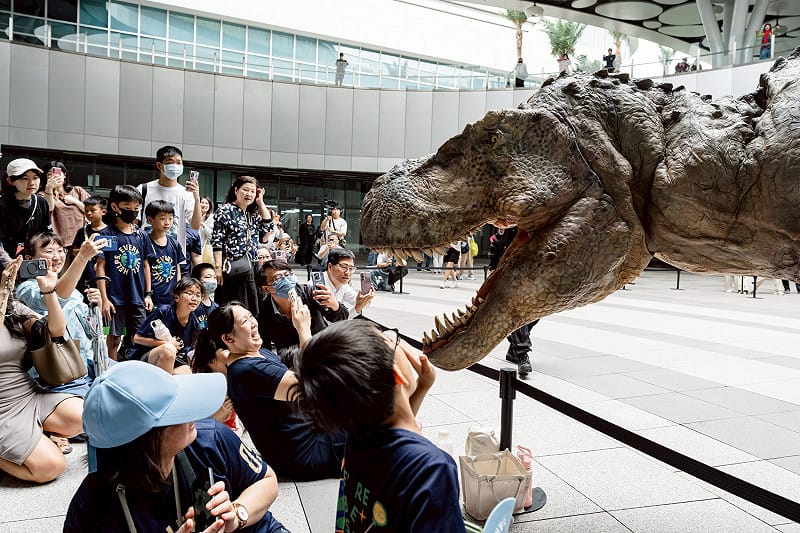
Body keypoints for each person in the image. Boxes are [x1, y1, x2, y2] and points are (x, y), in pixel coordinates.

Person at [64, 361, 287, 533]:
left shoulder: (209, 439)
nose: (194, 414)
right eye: (177, 410)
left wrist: (237, 515)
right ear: (147, 439)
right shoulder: (92, 510)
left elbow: (266, 480)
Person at [290, 321, 466, 532]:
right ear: (395, 374)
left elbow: (395, 427)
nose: (396, 340)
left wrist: (422, 386)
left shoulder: (357, 434)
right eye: (393, 341)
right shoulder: (433, 469)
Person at [196, 302, 346, 481]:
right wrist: (303, 329)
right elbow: (312, 386)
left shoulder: (259, 352)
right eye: (244, 321)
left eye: (251, 316)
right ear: (228, 339)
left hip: (313, 432)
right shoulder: (246, 370)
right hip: (306, 452)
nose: (253, 323)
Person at [0, 255, 83, 483]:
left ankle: (39, 436)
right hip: (1, 411)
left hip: (27, 395)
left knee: (86, 417)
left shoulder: (13, 309)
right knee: (51, 467)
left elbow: (55, 331)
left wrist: (48, 292)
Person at [16, 231, 108, 397]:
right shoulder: (26, 289)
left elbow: (90, 332)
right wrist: (81, 258)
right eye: (49, 251)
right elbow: (54, 297)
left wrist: (97, 307)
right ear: (29, 259)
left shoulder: (76, 293)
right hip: (54, 374)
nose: (57, 256)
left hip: (84, 367)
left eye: (60, 251)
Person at [96, 185, 151, 361]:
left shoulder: (141, 235)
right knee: (113, 339)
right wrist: (104, 299)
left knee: (140, 339)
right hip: (115, 298)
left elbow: (145, 265)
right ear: (115, 207)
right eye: (128, 208)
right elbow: (100, 266)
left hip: (137, 297)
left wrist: (148, 294)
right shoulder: (107, 235)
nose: (133, 212)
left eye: (136, 209)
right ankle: (111, 370)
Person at [212, 176, 273, 313]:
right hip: (233, 266)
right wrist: (217, 267)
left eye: (252, 191)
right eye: (245, 190)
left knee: (252, 306)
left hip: (252, 266)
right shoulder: (225, 210)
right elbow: (217, 241)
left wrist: (261, 203)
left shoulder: (253, 214)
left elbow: (267, 232)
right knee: (233, 306)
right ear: (236, 190)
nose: (249, 194)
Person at [259, 259, 348, 353]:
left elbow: (341, 317)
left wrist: (335, 306)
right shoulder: (264, 309)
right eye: (278, 278)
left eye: (287, 274)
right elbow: (264, 346)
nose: (285, 280)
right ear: (266, 289)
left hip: (321, 349)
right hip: (289, 358)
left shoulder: (310, 292)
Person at [488, 226, 537, 376]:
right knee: (517, 313)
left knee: (536, 312)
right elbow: (497, 243)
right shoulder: (514, 224)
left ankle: (513, 347)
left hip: (533, 274)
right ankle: (522, 354)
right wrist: (492, 268)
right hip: (511, 274)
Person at [128, 277, 203, 375]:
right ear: (176, 297)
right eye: (189, 293)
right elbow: (137, 338)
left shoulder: (195, 323)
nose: (194, 298)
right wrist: (166, 343)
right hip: (143, 358)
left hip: (171, 361)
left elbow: (187, 350)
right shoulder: (163, 312)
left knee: (187, 372)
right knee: (168, 349)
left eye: (198, 295)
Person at [137, 145, 201, 251]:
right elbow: (135, 221)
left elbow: (195, 227)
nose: (175, 166)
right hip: (146, 251)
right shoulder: (144, 189)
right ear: (159, 165)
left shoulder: (186, 193)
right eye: (170, 162)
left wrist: (197, 198)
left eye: (179, 162)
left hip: (175, 254)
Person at [0, 158, 52, 257]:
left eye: (35, 177)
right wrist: (9, 264)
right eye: (24, 178)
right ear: (10, 181)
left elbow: (46, 234)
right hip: (7, 259)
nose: (31, 183)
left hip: (33, 258)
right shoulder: (3, 206)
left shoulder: (41, 202)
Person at [43, 161, 89, 258]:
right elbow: (48, 208)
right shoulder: (43, 194)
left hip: (80, 241)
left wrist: (75, 201)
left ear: (64, 175)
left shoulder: (77, 191)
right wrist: (49, 188)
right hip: (58, 243)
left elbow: (92, 210)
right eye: (49, 174)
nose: (54, 177)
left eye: (57, 173)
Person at [144, 200, 186, 307]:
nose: (167, 222)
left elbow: (177, 269)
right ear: (150, 220)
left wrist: (178, 291)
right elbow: (145, 268)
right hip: (152, 297)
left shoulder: (174, 244)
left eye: (170, 218)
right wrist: (147, 294)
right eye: (162, 219)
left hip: (171, 297)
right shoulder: (145, 242)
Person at [321, 247, 374, 316]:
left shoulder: (343, 285)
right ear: (330, 267)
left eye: (351, 268)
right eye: (343, 267)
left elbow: (363, 304)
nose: (347, 273)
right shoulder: (319, 287)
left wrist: (365, 298)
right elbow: (329, 323)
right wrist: (357, 307)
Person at [69, 196, 108, 288]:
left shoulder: (111, 232)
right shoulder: (82, 231)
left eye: (92, 210)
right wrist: (85, 251)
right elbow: (74, 251)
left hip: (104, 273)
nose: (89, 213)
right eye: (86, 211)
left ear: (103, 212)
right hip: (84, 272)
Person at [192, 262, 219, 329]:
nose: (212, 280)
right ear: (197, 280)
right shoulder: (192, 304)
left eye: (214, 277)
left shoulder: (216, 308)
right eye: (208, 277)